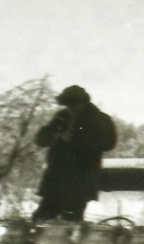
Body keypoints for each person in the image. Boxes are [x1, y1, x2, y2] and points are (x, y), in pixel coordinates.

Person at [32, 85, 117, 222]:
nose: (70, 109)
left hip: (80, 180)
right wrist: (56, 137)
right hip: (56, 178)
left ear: (83, 103)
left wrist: (74, 139)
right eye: (67, 105)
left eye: (73, 105)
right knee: (41, 218)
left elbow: (109, 143)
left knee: (71, 221)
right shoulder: (62, 116)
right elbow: (40, 139)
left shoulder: (100, 119)